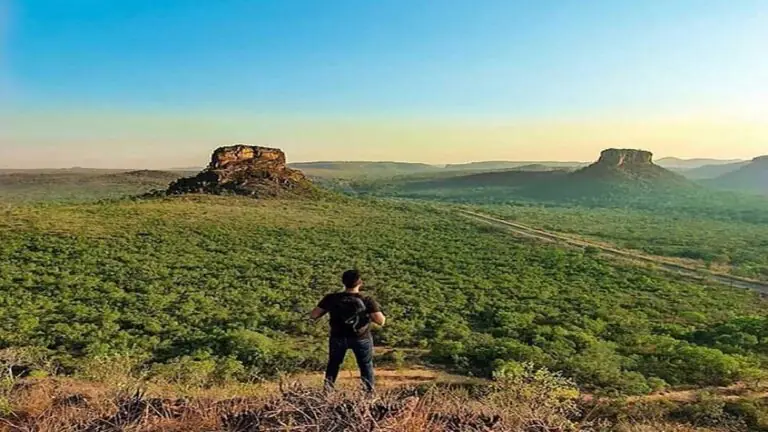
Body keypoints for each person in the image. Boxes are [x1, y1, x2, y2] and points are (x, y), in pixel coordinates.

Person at [311, 269, 386, 392]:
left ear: (343, 282)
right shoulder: (367, 300)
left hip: (338, 337)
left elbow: (314, 315)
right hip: (361, 337)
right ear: (360, 282)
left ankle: (327, 391)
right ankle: (368, 394)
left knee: (333, 365)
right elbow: (381, 321)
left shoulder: (331, 298)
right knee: (365, 366)